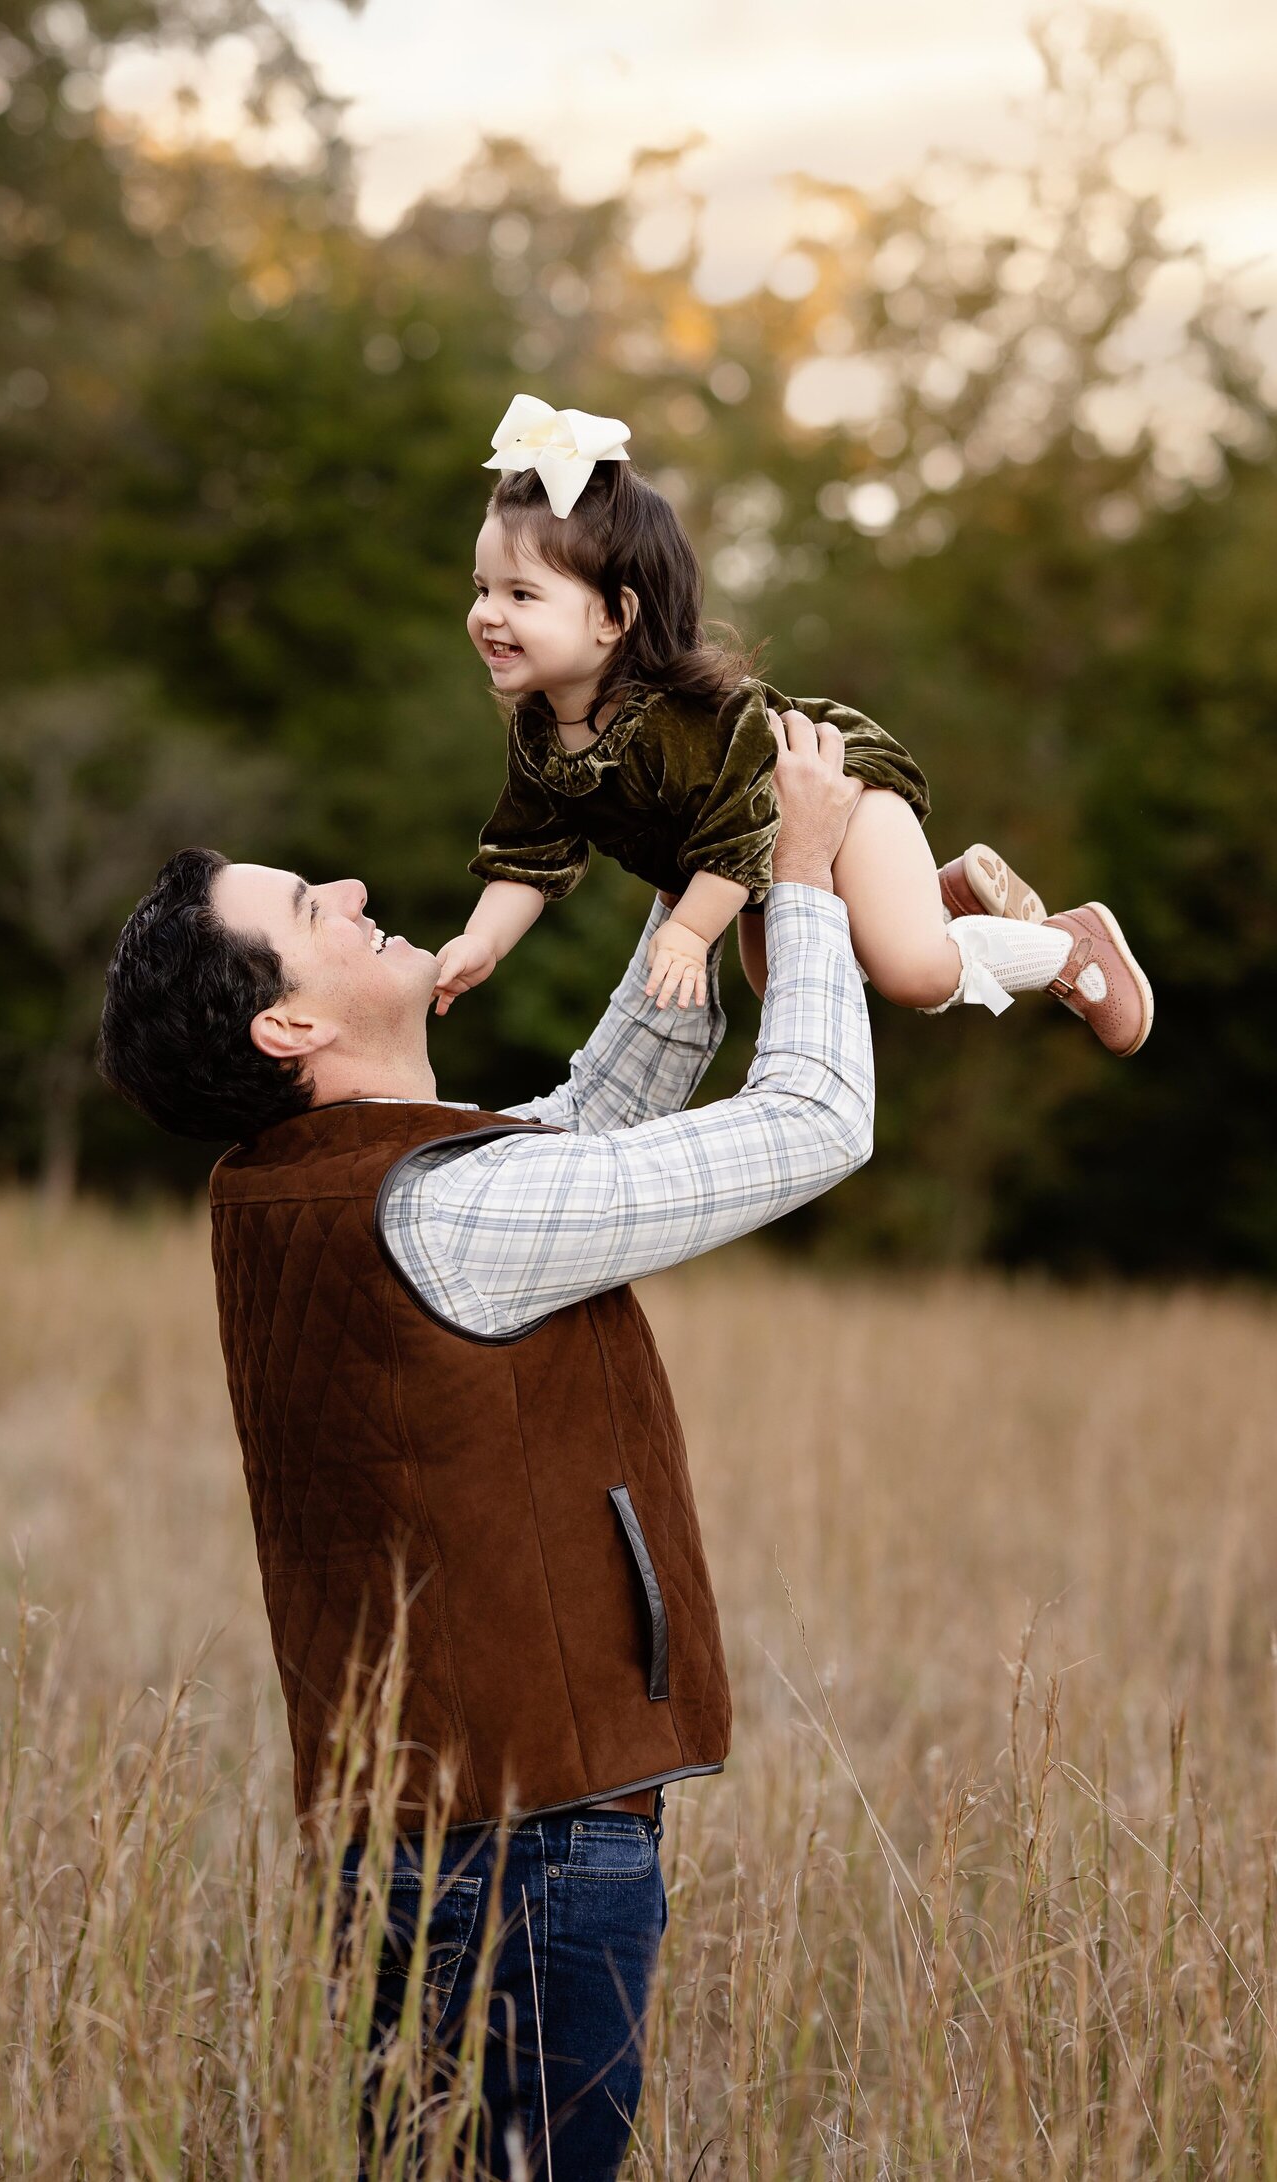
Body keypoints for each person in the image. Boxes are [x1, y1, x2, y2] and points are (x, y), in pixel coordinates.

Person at [97, 711, 881, 2179]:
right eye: (306, 908)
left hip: (429, 1845)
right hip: (522, 1849)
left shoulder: (307, 1184)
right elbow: (818, 1119)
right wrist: (807, 882)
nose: (348, 888)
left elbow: (584, 1120)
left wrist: (696, 874)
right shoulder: (441, 1210)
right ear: (287, 1027)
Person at [431, 392, 1152, 1059]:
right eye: (483, 589)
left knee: (914, 974)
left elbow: (738, 833)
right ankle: (934, 900)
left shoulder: (675, 722)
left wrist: (688, 932)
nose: (488, 614)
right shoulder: (539, 735)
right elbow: (528, 855)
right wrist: (482, 940)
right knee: (786, 989)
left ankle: (1069, 947)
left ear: (614, 617)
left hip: (834, 788)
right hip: (761, 860)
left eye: (521, 595)